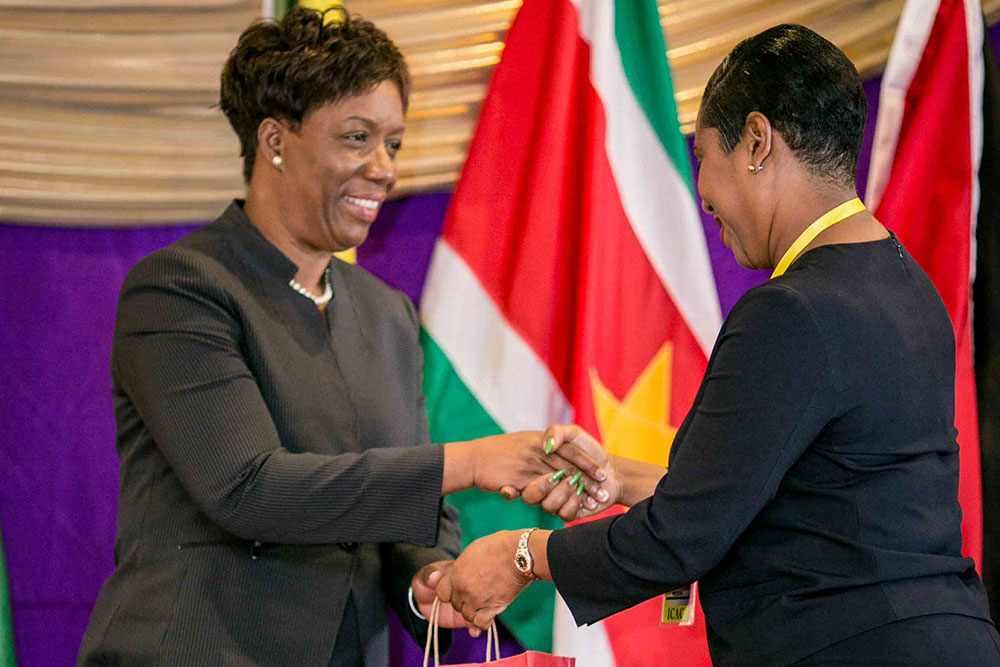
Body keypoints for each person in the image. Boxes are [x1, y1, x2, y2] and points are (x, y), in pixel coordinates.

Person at [434, 24, 1000, 666]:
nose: (703, 194)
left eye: (703, 154)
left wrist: (522, 555)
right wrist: (618, 478)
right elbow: (789, 497)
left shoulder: (791, 311)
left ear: (757, 140)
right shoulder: (910, 285)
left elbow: (681, 538)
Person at [77, 8, 594, 666]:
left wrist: (429, 580)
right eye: (357, 138)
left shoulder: (388, 314)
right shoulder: (181, 289)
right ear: (275, 140)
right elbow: (251, 489)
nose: (383, 168)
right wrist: (470, 462)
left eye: (393, 144)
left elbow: (408, 507)